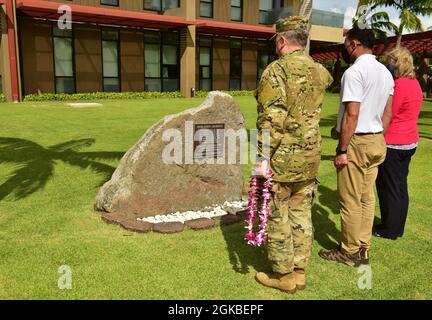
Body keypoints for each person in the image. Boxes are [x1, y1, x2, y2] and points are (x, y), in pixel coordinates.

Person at [254, 16, 333, 293]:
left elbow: (271, 119)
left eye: (277, 41)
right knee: (301, 214)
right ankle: (299, 271)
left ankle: (284, 275)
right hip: (310, 158)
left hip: (283, 160)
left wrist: (262, 158)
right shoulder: (319, 70)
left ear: (282, 40)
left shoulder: (276, 71)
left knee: (278, 214)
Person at [319, 27, 394, 267]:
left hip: (358, 141)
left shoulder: (354, 72)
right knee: (366, 197)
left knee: (350, 199)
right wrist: (376, 133)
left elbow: (352, 115)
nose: (345, 48)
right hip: (377, 140)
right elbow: (387, 114)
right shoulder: (385, 72)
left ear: (353, 43)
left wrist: (342, 150)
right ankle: (363, 247)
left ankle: (349, 251)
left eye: (346, 43)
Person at [374, 47, 424, 240]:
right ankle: (395, 225)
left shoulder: (400, 85)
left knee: (389, 187)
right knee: (399, 186)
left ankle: (390, 228)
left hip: (394, 143)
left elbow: (389, 113)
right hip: (409, 141)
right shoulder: (415, 84)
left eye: (390, 62)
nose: (388, 65)